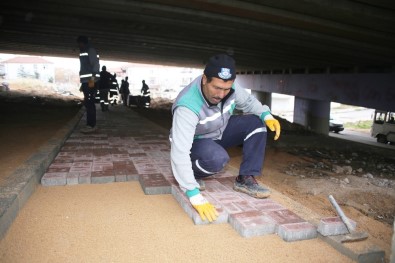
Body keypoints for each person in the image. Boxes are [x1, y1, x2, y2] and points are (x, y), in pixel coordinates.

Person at [169, 54, 281, 222]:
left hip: (219, 130)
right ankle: (192, 174)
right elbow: (179, 152)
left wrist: (266, 115)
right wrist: (193, 194)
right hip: (196, 142)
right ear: (205, 79)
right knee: (217, 158)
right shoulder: (188, 106)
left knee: (256, 123)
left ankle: (245, 178)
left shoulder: (231, 87)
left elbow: (249, 103)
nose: (221, 94)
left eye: (226, 89)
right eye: (216, 88)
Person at [77, 35, 100, 133]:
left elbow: (95, 66)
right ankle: (89, 124)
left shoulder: (90, 51)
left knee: (90, 103)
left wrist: (91, 82)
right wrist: (83, 84)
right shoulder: (83, 51)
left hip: (91, 81)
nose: (78, 45)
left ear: (83, 42)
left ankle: (91, 125)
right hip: (86, 82)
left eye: (79, 43)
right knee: (88, 103)